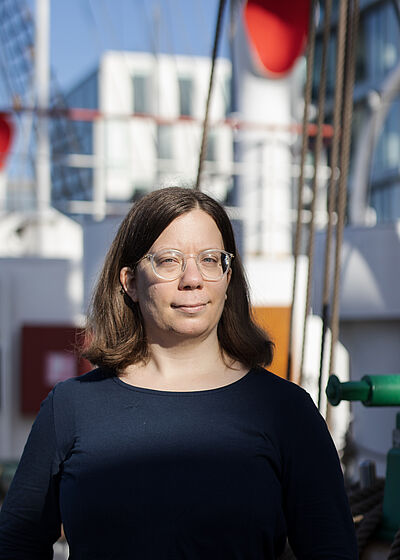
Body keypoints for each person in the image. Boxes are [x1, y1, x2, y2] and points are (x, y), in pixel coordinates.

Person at [0, 187, 357, 559]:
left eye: (210, 259)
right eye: (169, 261)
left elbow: (331, 550)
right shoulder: (71, 408)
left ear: (228, 276)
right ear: (130, 282)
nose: (192, 278)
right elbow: (16, 546)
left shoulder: (286, 411)